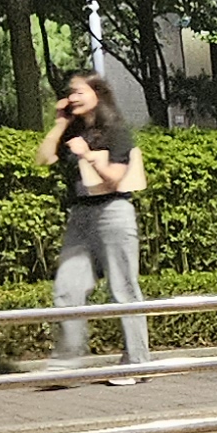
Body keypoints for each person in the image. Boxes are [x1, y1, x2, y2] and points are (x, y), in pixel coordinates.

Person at [37, 70, 150, 381]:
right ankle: (67, 359)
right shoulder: (71, 132)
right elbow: (44, 157)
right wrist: (59, 123)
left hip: (113, 212)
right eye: (70, 92)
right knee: (66, 288)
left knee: (123, 290)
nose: (73, 97)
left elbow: (116, 178)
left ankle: (137, 363)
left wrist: (88, 155)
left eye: (79, 91)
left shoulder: (116, 131)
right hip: (80, 216)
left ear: (97, 94)